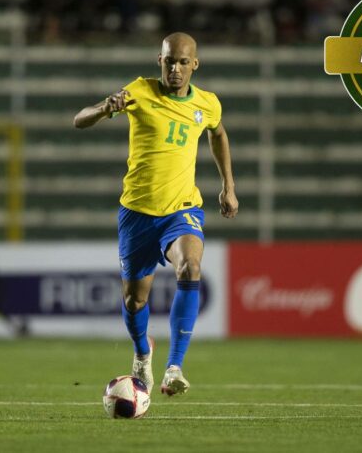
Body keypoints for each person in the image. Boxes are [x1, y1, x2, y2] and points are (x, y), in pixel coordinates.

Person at [73, 32, 238, 396]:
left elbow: (218, 134)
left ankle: (175, 367)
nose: (175, 69)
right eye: (169, 61)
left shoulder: (208, 104)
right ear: (158, 60)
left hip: (182, 209)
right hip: (137, 213)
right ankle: (142, 353)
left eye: (182, 62)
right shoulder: (138, 91)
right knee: (135, 300)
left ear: (195, 64)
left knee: (190, 267)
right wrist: (104, 108)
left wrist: (228, 185)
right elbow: (78, 120)